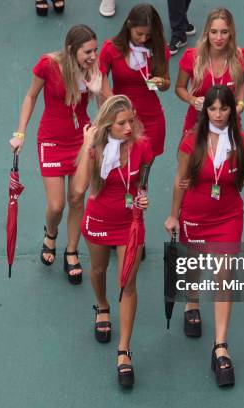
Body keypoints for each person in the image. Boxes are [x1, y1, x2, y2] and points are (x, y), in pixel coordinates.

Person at [164, 85, 244, 387]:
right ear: (205, 111)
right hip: (195, 214)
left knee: (224, 275)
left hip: (228, 216)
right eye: (212, 109)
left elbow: (240, 178)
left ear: (233, 110)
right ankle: (192, 303)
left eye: (223, 108)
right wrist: (174, 215)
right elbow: (180, 180)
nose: (217, 114)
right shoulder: (191, 142)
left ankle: (220, 346)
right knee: (194, 266)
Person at [9, 25, 102, 285]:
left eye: (95, 50)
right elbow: (30, 96)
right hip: (51, 140)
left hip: (81, 140)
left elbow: (107, 107)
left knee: (77, 198)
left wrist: (97, 90)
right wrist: (20, 133)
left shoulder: (93, 69)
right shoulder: (48, 65)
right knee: (56, 205)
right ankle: (51, 234)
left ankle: (71, 251)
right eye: (87, 51)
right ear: (72, 50)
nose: (93, 56)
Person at [74, 95, 153, 387]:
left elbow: (143, 181)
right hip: (99, 220)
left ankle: (124, 350)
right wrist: (86, 145)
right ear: (108, 125)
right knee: (97, 271)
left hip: (130, 223)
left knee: (128, 283)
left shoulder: (143, 147)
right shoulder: (96, 149)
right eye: (122, 123)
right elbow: (80, 188)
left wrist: (143, 197)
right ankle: (102, 305)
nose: (129, 127)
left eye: (131, 120)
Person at [99, 3, 171, 160]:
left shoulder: (159, 48)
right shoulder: (111, 49)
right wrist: (116, 112)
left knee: (143, 173)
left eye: (148, 35)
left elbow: (167, 83)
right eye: (139, 34)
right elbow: (101, 83)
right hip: (122, 120)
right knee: (122, 167)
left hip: (152, 119)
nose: (144, 39)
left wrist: (161, 83)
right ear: (129, 25)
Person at [175, 7, 244, 136]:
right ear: (207, 33)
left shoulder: (240, 56)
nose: (218, 38)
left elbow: (240, 84)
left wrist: (241, 105)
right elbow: (179, 87)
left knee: (236, 156)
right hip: (198, 121)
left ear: (231, 33)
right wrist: (192, 100)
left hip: (229, 122)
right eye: (214, 32)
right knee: (189, 156)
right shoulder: (191, 56)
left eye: (224, 32)